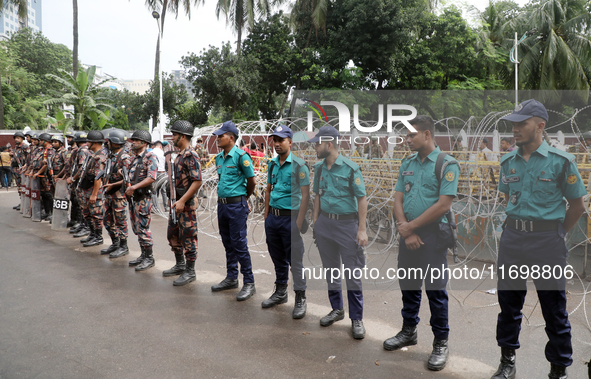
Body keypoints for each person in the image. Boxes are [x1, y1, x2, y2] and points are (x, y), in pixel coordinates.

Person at [491, 99, 586, 379]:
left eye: (522, 123)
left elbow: (578, 206)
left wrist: (556, 233)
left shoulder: (561, 162)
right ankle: (507, 361)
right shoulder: (508, 161)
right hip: (513, 237)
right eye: (513, 123)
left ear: (540, 126)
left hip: (547, 241)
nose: (515, 128)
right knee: (508, 303)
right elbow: (509, 197)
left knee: (553, 307)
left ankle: (558, 369)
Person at [384, 115, 459, 371]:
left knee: (436, 291)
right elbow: (398, 198)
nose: (407, 140)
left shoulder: (446, 164)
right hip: (408, 232)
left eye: (411, 135)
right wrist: (406, 231)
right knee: (408, 285)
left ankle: (440, 342)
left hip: (432, 235)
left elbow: (444, 204)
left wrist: (412, 228)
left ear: (427, 134)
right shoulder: (407, 163)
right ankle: (408, 331)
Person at [310, 125, 368, 339]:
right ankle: (337, 309)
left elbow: (362, 199)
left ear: (329, 144)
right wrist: (316, 223)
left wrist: (361, 229)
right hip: (325, 223)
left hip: (347, 226)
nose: (315, 147)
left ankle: (356, 318)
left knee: (352, 274)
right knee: (331, 271)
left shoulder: (351, 168)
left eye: (317, 143)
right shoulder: (318, 167)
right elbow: (317, 195)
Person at [262, 125, 310, 318]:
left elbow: (306, 196)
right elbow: (268, 190)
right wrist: (266, 217)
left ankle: (300, 297)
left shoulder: (299, 165)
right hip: (273, 219)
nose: (277, 144)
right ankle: (281, 291)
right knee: (277, 257)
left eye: (281, 140)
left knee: (295, 260)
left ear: (290, 142)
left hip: (290, 218)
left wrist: (298, 223)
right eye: (275, 140)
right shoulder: (272, 164)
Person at [210, 120, 257, 301]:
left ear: (231, 138)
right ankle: (231, 277)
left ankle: (249, 282)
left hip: (236, 206)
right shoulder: (219, 158)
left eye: (221, 136)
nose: (217, 139)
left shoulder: (241, 157)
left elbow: (251, 181)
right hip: (222, 206)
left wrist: (244, 199)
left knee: (239, 244)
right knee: (228, 242)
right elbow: (222, 179)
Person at [162, 120, 203, 286]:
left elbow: (197, 181)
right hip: (176, 203)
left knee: (188, 237)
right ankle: (180, 264)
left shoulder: (190, 155)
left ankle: (190, 270)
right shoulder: (179, 155)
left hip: (185, 205)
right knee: (172, 234)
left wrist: (182, 200)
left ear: (183, 136)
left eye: (175, 134)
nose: (172, 137)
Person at [126, 130, 158, 271]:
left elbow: (151, 177)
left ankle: (149, 258)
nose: (133, 142)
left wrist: (134, 187)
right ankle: (143, 254)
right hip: (134, 198)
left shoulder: (150, 156)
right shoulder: (135, 158)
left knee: (143, 228)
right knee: (136, 228)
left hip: (143, 198)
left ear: (144, 142)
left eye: (136, 140)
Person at [101, 130, 132, 259]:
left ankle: (123, 246)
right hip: (109, 193)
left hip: (119, 194)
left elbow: (128, 178)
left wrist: (113, 185)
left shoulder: (124, 157)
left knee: (120, 221)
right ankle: (115, 243)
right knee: (107, 220)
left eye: (109, 142)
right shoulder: (110, 156)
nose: (107, 143)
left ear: (115, 142)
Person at [77, 131, 107, 247]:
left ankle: (98, 236)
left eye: (89, 141)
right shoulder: (93, 154)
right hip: (87, 190)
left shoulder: (100, 157)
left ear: (94, 142)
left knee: (96, 215)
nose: (87, 143)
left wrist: (94, 195)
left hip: (95, 191)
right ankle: (92, 233)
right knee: (87, 213)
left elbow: (98, 177)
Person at [11, 131, 29, 210]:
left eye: (18, 138)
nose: (16, 140)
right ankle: (21, 202)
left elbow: (29, 157)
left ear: (22, 139)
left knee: (23, 186)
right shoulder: (15, 148)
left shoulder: (25, 147)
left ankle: (25, 203)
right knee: (19, 187)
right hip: (16, 169)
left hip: (22, 169)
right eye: (15, 138)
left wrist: (25, 166)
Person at [151, 140, 169, 212]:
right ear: (160, 146)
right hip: (163, 173)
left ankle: (156, 208)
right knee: (163, 191)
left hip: (155, 173)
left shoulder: (152, 152)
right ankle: (166, 207)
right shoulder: (163, 152)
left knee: (154, 190)